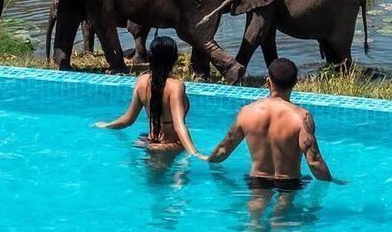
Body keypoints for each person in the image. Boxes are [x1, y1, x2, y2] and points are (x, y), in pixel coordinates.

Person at [206, 57, 339, 189]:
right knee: (285, 202)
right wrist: (333, 182)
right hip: (289, 182)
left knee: (256, 202)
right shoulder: (302, 117)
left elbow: (223, 150)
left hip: (257, 180)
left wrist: (207, 159)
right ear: (295, 83)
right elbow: (314, 161)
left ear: (268, 81)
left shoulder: (246, 112)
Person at [95, 36, 206, 158]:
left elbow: (128, 119)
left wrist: (106, 125)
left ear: (151, 58)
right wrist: (196, 153)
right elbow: (179, 125)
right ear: (174, 58)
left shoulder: (141, 81)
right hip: (170, 144)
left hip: (148, 141)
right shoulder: (176, 86)